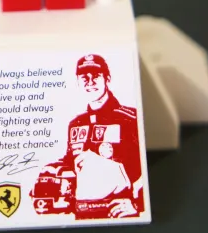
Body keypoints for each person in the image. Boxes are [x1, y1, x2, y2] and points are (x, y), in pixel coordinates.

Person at [34, 54, 143, 219]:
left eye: (96, 76)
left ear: (107, 79)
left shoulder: (130, 118)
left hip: (118, 211)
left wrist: (137, 204)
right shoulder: (76, 123)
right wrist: (53, 168)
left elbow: (147, 164)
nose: (90, 82)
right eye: (84, 77)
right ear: (77, 81)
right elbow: (72, 161)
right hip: (83, 212)